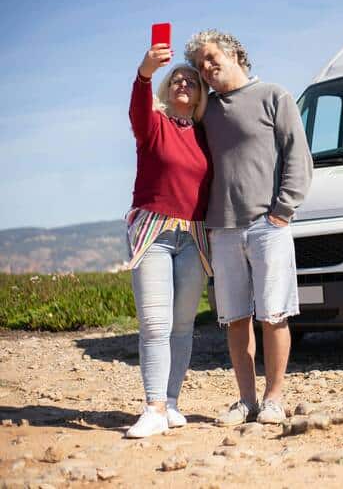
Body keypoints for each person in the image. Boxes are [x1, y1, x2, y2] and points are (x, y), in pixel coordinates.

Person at [185, 30, 312, 426]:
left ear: (233, 52)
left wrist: (283, 210)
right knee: (236, 319)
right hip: (222, 230)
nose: (206, 68)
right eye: (200, 64)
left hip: (267, 226)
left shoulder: (275, 96)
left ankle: (274, 399)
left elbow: (298, 157)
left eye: (210, 58)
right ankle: (246, 401)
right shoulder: (207, 111)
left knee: (274, 315)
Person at [125, 42, 212, 438]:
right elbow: (138, 107)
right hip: (154, 233)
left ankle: (172, 402)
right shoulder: (153, 124)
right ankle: (153, 406)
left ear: (199, 94)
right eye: (176, 78)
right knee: (155, 324)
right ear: (166, 89)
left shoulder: (206, 135)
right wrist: (145, 72)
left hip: (194, 236)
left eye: (191, 81)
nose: (183, 83)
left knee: (182, 326)